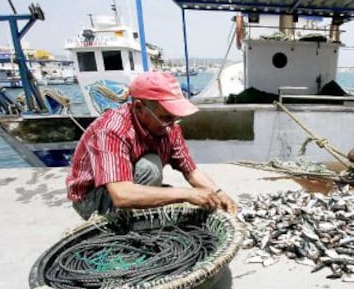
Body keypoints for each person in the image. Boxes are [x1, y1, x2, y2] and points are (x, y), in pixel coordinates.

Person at [66, 71, 237, 220]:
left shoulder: (169, 127)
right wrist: (187, 194)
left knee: (158, 177)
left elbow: (191, 171)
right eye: (165, 117)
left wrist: (218, 192)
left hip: (127, 183)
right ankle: (123, 223)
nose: (172, 124)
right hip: (91, 197)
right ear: (139, 107)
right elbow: (121, 194)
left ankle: (140, 210)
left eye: (175, 117)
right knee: (150, 168)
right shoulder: (111, 129)